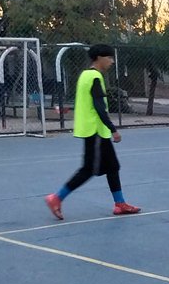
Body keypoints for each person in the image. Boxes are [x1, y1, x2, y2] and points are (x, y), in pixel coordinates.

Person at [44, 44, 140, 220]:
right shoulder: (95, 77)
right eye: (109, 58)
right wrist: (113, 129)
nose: (112, 61)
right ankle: (56, 198)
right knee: (88, 169)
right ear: (99, 58)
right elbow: (98, 106)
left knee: (112, 166)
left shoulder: (85, 75)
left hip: (96, 131)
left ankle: (120, 204)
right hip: (95, 131)